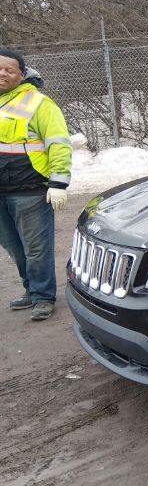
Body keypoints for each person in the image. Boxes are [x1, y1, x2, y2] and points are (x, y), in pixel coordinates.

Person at [0, 48, 72, 320]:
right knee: (14, 248)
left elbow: (58, 143)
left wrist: (59, 183)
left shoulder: (39, 103)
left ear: (22, 74)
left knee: (36, 249)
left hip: (29, 191)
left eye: (9, 69)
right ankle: (31, 290)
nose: (3, 73)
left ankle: (43, 296)